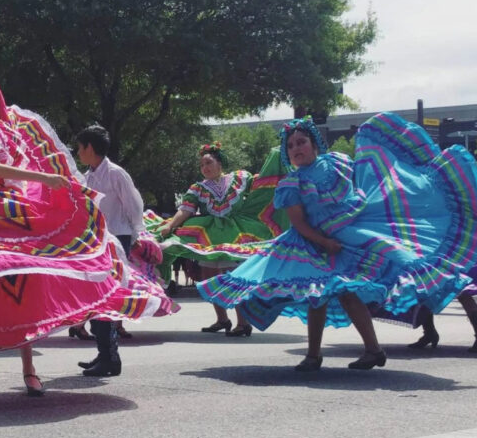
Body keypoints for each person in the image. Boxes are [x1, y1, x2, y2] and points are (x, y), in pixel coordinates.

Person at [0, 48, 177, 397]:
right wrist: (46, 179)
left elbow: (15, 167)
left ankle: (28, 368)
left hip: (10, 212)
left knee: (28, 283)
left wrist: (45, 185)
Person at [198, 114, 477, 371]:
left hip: (345, 234)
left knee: (356, 285)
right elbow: (299, 223)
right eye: (291, 145)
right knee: (319, 295)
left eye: (302, 142)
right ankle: (322, 354)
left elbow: (355, 188)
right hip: (311, 243)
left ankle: (359, 351)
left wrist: (358, 211)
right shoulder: (291, 183)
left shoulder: (336, 163)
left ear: (314, 144)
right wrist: (323, 240)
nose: (296, 148)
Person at [156, 142, 288, 338]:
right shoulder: (197, 188)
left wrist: (279, 162)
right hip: (208, 235)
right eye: (201, 165)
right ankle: (222, 319)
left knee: (234, 278)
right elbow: (185, 210)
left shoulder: (240, 178)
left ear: (220, 163)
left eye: (208, 162)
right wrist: (170, 225)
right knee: (209, 278)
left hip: (236, 234)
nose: (205, 168)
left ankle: (243, 323)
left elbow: (262, 188)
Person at [72, 124, 145, 366]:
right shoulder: (89, 176)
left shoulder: (116, 173)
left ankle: (110, 358)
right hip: (97, 242)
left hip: (117, 240)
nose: (78, 152)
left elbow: (135, 207)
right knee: (97, 299)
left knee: (107, 299)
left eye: (80, 148)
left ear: (90, 147)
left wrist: (139, 237)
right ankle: (105, 354)